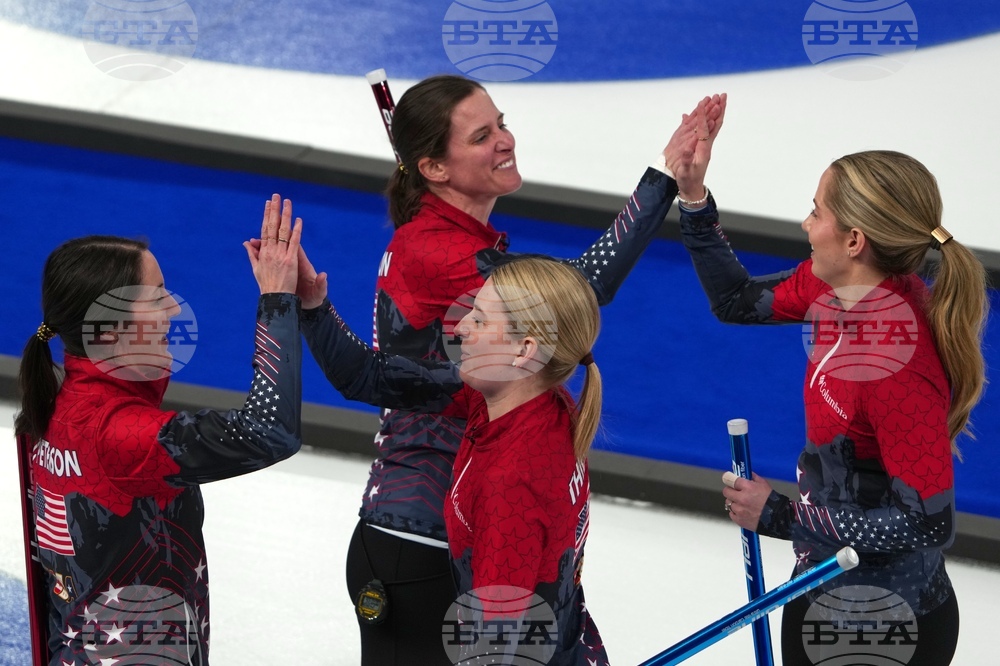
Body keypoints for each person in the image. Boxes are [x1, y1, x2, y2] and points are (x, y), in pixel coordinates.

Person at [331, 72, 724, 665]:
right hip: (425, 544)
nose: (505, 140)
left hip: (458, 531)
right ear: (433, 167)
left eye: (502, 123)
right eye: (481, 136)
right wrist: (663, 179)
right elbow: (570, 297)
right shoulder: (439, 252)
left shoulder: (447, 239)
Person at [674, 118, 985, 664]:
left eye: (816, 211)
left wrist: (780, 516)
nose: (806, 223)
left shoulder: (896, 368)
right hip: (820, 580)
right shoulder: (834, 286)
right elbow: (736, 301)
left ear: (855, 241)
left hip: (887, 623)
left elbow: (927, 523)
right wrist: (693, 197)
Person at [15, 196, 305, 665]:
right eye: (156, 298)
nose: (173, 309)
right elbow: (271, 431)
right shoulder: (120, 434)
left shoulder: (58, 408)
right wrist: (278, 301)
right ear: (107, 331)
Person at [285, 244, 608, 664]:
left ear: (524, 350)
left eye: (480, 319)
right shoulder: (532, 401)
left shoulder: (511, 482)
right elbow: (371, 376)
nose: (460, 328)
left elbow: (495, 646)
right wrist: (314, 307)